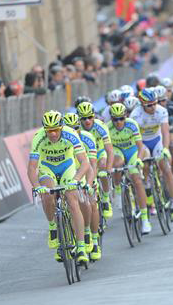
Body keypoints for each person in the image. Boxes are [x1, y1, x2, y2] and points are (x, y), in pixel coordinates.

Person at [27, 110, 91, 264]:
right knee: (48, 194)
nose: (53, 134)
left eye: (56, 130)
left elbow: (85, 162)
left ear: (61, 127)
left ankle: (81, 247)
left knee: (72, 199)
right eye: (49, 131)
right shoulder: (38, 138)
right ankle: (53, 227)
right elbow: (31, 168)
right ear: (45, 130)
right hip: (47, 168)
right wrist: (36, 186)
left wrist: (75, 180)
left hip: (67, 167)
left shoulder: (71, 134)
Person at [130, 88, 173, 220]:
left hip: (157, 140)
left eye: (155, 103)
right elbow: (136, 140)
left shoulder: (161, 110)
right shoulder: (135, 115)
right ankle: (147, 187)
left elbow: (165, 132)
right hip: (143, 143)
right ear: (142, 105)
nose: (153, 106)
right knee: (145, 165)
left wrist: (165, 149)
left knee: (166, 168)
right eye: (149, 105)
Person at [106, 103, 151, 234]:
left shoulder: (131, 124)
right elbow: (107, 150)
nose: (119, 122)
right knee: (117, 164)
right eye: (115, 119)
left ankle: (145, 218)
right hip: (117, 150)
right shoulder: (108, 128)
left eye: (121, 118)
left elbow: (140, 146)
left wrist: (138, 160)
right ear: (111, 119)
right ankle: (119, 190)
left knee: (137, 180)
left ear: (126, 116)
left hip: (132, 151)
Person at [63, 112, 102, 261]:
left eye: (76, 128)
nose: (74, 131)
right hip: (70, 174)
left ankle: (94, 239)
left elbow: (92, 164)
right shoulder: (63, 139)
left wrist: (89, 184)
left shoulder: (86, 138)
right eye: (69, 128)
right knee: (71, 204)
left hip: (86, 172)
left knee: (90, 202)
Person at [76, 101, 115, 219]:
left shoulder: (101, 126)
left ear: (94, 116)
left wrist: (108, 171)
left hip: (99, 154)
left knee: (102, 165)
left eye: (90, 117)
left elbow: (109, 150)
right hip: (84, 158)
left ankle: (106, 199)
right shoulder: (76, 129)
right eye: (83, 118)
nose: (87, 121)